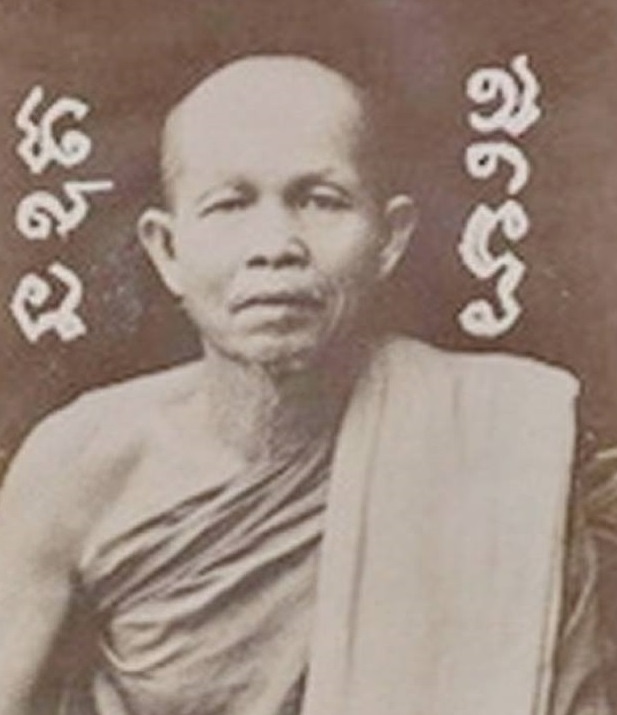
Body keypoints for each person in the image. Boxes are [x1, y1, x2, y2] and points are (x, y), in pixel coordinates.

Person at [0, 52, 609, 715]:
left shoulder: (503, 448)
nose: (276, 245)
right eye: (229, 204)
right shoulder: (79, 467)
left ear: (389, 239)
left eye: (320, 200)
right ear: (167, 251)